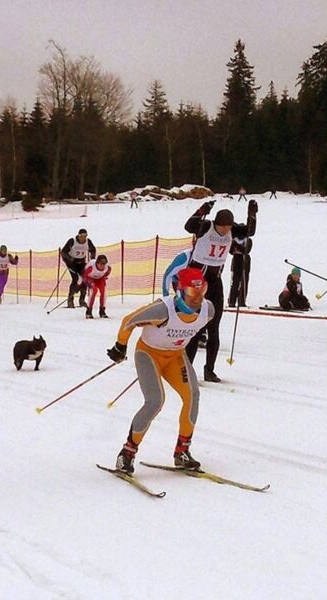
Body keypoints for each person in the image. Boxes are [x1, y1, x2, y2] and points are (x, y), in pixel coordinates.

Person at [106, 267, 212, 474]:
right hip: (149, 355)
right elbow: (129, 321)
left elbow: (193, 327)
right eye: (192, 293)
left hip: (174, 356)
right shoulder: (162, 310)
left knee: (192, 396)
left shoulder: (209, 310)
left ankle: (182, 452)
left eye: (202, 292)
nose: (197, 299)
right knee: (155, 401)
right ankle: (127, 453)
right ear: (179, 291)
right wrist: (120, 346)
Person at [184, 200, 257, 382]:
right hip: (196, 279)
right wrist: (201, 211)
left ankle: (209, 370)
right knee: (195, 327)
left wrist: (252, 214)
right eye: (222, 226)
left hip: (214, 280)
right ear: (216, 223)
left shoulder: (232, 230)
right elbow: (189, 226)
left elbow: (250, 231)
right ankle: (186, 370)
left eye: (227, 227)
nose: (225, 230)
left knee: (214, 326)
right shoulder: (207, 226)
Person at [61, 228, 96, 309]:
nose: (83, 238)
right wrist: (69, 258)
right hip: (71, 263)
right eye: (81, 236)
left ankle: (82, 300)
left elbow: (93, 250)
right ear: (78, 235)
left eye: (85, 236)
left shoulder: (88, 242)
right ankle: (70, 300)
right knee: (75, 279)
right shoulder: (72, 241)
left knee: (85, 279)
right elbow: (63, 252)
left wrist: (92, 259)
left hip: (81, 262)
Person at [83, 255, 111, 319]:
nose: (102, 266)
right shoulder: (91, 268)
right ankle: (89, 311)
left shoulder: (108, 268)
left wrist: (104, 278)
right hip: (90, 278)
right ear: (97, 263)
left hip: (100, 279)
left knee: (104, 292)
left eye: (104, 264)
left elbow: (106, 274)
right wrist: (88, 283)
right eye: (100, 264)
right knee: (94, 290)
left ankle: (102, 311)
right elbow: (84, 276)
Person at [227, 236, 252, 308]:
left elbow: (246, 250)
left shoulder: (248, 240)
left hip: (244, 260)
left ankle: (242, 301)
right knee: (235, 282)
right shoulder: (234, 240)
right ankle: (232, 301)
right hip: (236, 259)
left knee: (244, 282)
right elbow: (231, 251)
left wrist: (236, 246)